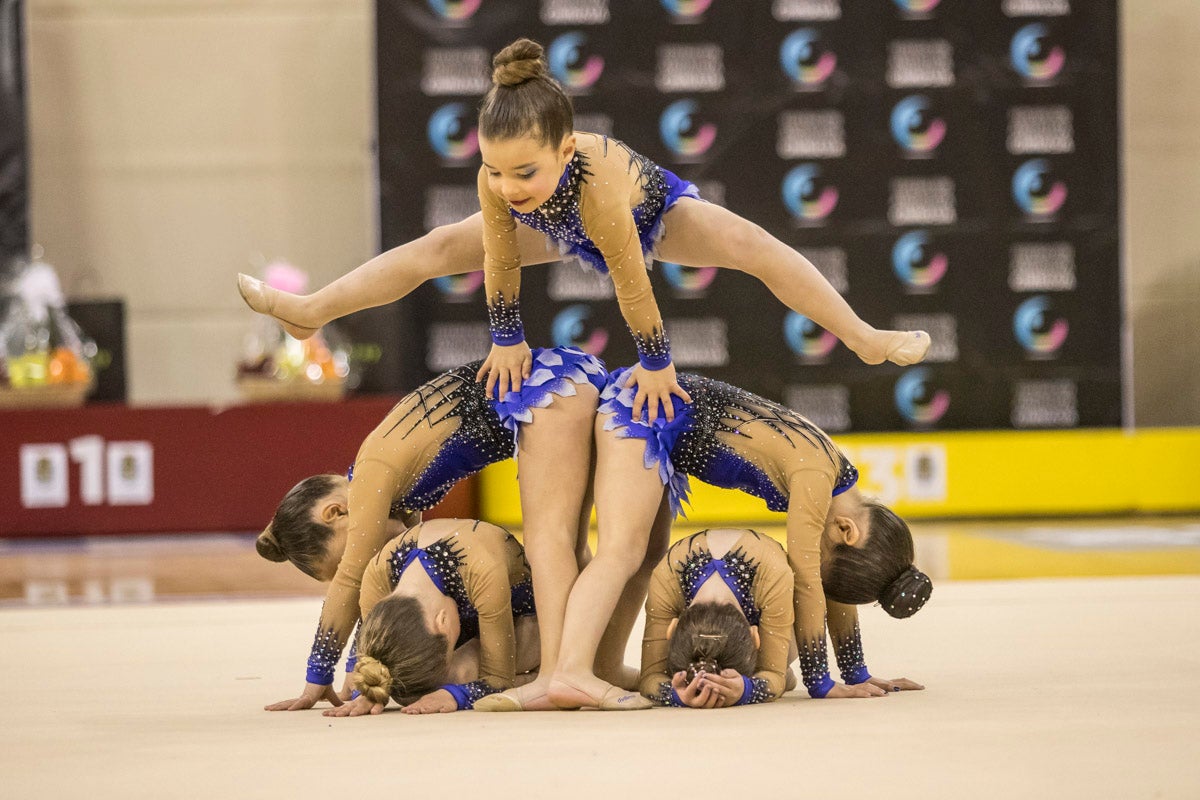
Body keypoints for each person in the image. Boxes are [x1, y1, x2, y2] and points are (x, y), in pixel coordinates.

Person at [237, 38, 930, 420]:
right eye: (496, 172)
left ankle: (864, 339)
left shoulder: (595, 179)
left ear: (565, 150)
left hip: (648, 214)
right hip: (559, 227)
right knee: (440, 247)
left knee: (754, 247)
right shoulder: (501, 178)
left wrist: (656, 361)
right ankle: (310, 311)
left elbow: (630, 276)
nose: (507, 187)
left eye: (525, 172)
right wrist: (506, 336)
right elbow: (499, 258)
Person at [256, 345, 608, 711]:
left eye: (347, 557)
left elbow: (350, 584)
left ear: (334, 513)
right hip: (562, 378)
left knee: (549, 542)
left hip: (546, 385)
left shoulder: (370, 476)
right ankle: (586, 664)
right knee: (570, 547)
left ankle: (557, 673)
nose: (364, 559)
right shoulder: (394, 499)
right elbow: (385, 599)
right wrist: (364, 674)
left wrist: (318, 675)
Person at [596, 366, 933, 700]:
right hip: (644, 408)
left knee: (642, 558)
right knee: (621, 554)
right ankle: (569, 667)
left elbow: (830, 588)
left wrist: (856, 672)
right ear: (846, 530)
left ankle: (601, 666)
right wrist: (820, 683)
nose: (819, 566)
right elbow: (806, 579)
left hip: (658, 412)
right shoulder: (815, 475)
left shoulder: (834, 480)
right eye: (825, 560)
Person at [323, 518, 541, 716]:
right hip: (470, 616)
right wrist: (369, 691)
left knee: (458, 675)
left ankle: (536, 677)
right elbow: (377, 658)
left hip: (523, 617)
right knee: (407, 684)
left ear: (442, 621)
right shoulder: (375, 577)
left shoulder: (481, 571)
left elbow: (499, 679)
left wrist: (456, 695)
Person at [640, 529, 794, 708]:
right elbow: (649, 678)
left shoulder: (774, 575)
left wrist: (747, 689)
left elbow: (774, 674)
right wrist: (675, 694)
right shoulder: (666, 576)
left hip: (774, 588)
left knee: (801, 597)